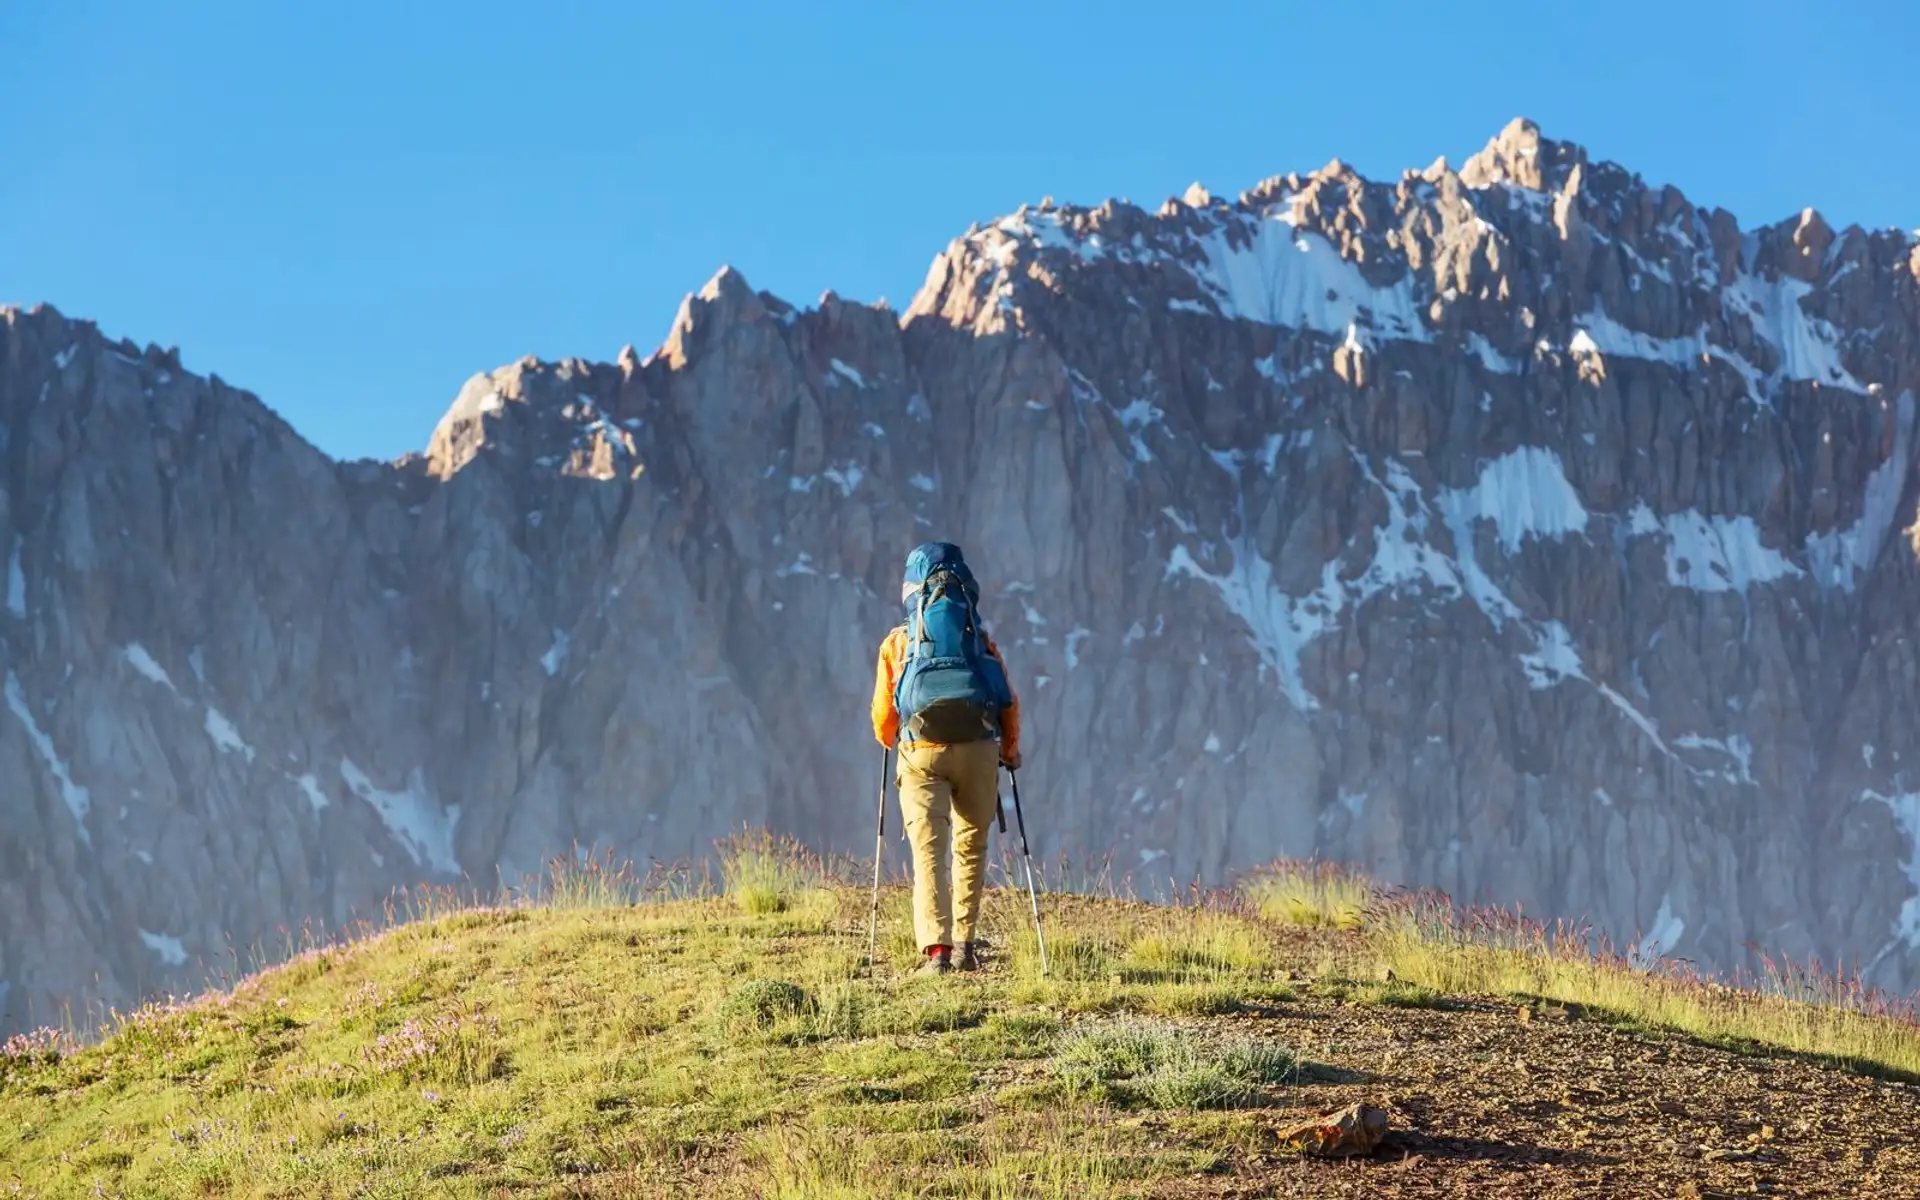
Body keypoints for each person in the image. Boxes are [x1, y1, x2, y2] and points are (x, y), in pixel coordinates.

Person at [871, 542, 1021, 975]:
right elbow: (1008, 702)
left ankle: (938, 952)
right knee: (970, 846)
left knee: (929, 852)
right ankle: (966, 947)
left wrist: (893, 740)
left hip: (921, 752)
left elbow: (883, 719)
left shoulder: (899, 642)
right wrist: (1009, 753)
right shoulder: (979, 642)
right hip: (978, 750)